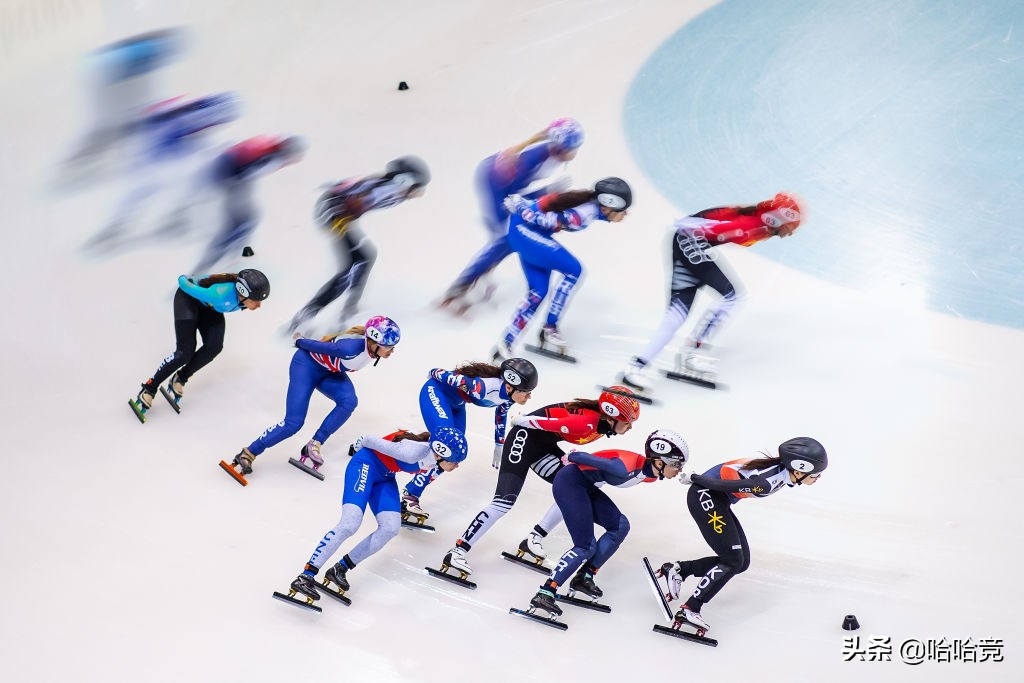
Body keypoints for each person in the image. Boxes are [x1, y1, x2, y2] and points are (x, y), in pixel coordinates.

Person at [437, 386, 641, 580]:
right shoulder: (586, 423)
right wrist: (519, 420)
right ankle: (457, 551)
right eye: (628, 422)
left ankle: (534, 538)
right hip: (523, 438)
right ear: (611, 417)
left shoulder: (598, 422)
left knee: (580, 488)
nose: (630, 427)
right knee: (504, 501)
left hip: (543, 446)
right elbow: (540, 422)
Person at [620, 193, 802, 389]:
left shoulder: (759, 223)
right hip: (690, 240)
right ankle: (692, 352)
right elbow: (712, 227)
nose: (790, 233)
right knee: (732, 297)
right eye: (790, 228)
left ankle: (636, 367)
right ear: (777, 219)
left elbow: (711, 223)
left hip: (689, 241)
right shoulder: (751, 226)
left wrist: (688, 228)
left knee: (677, 314)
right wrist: (686, 226)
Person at [654, 437, 828, 633]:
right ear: (798, 471)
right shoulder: (768, 482)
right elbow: (727, 486)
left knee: (741, 562)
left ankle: (679, 570)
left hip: (716, 499)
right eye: (816, 474)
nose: (818, 478)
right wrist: (695, 478)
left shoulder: (778, 472)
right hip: (705, 496)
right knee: (733, 560)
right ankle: (691, 608)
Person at [285, 427, 468, 604]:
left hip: (386, 476)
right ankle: (305, 576)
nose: (457, 465)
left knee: (390, 528)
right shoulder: (412, 452)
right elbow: (369, 440)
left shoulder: (433, 458)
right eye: (455, 461)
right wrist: (355, 447)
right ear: (439, 453)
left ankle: (340, 569)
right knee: (350, 523)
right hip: (365, 465)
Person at [529, 429, 689, 617]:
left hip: (586, 486)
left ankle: (584, 576)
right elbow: (580, 456)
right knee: (585, 546)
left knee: (620, 526)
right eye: (677, 465)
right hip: (570, 483)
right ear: (659, 462)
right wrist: (572, 456)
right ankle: (546, 592)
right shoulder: (624, 468)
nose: (680, 470)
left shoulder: (651, 476)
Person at [226, 316, 401, 479]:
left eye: (393, 347)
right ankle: (249, 452)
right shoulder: (349, 349)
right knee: (294, 423)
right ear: (373, 342)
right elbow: (318, 346)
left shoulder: (369, 348)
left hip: (329, 371)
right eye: (388, 347)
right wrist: (299, 341)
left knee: (349, 401)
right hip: (306, 366)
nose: (391, 351)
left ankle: (314, 444)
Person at [439, 118, 584, 311]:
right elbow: (514, 198)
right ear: (559, 147)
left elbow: (546, 132)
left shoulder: (551, 151)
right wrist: (547, 191)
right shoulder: (534, 161)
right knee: (505, 239)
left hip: (503, 181)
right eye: (571, 149)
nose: (574, 153)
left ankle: (481, 272)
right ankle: (459, 287)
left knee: (509, 238)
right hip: (496, 186)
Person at [493, 177, 633, 361]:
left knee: (538, 292)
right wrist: (520, 205)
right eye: (623, 211)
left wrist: (522, 204)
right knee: (574, 270)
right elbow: (537, 217)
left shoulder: (584, 204)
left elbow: (541, 205)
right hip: (525, 232)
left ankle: (506, 342)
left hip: (523, 232)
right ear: (608, 207)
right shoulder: (584, 213)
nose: (626, 215)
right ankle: (550, 327)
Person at [287, 157, 431, 333]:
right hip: (333, 212)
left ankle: (346, 309)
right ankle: (316, 314)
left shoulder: (388, 188)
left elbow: (352, 189)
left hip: (336, 212)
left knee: (364, 258)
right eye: (417, 187)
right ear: (404, 181)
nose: (419, 193)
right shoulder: (387, 189)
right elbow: (354, 193)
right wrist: (347, 195)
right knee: (351, 268)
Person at [86, 92, 241, 253]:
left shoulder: (182, 110)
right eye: (219, 118)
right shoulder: (184, 114)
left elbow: (159, 120)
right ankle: (119, 225)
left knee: (146, 189)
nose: (216, 123)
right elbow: (160, 124)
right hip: (153, 153)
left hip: (159, 150)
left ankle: (172, 215)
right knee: (145, 188)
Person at [400, 358, 540, 520]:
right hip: (435, 392)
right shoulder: (483, 388)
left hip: (457, 404)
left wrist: (499, 443)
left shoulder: (509, 396)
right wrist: (432, 372)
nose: (529, 396)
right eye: (526, 392)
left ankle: (411, 492)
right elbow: (442, 374)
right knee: (447, 447)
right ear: (509, 387)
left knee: (455, 453)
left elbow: (501, 414)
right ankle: (408, 490)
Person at [131, 269, 269, 417]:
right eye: (256, 300)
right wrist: (184, 278)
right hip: (188, 299)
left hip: (210, 307)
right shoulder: (220, 294)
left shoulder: (239, 296)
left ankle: (181, 377)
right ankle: (150, 387)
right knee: (184, 353)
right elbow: (184, 285)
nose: (259, 305)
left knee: (214, 347)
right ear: (243, 292)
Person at [189, 134, 306, 273]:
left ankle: (230, 255)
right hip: (228, 174)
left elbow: (242, 157)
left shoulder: (271, 144)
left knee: (244, 218)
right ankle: (231, 258)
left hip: (223, 165)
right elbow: (246, 173)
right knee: (246, 220)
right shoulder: (273, 157)